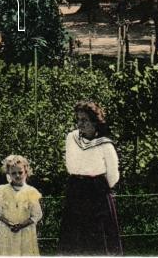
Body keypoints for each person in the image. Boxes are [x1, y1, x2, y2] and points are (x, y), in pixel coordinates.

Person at [58, 101, 122, 255]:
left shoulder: (106, 145)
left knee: (98, 238)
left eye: (84, 120)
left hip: (97, 193)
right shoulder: (71, 138)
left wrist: (97, 186)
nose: (80, 124)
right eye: (78, 119)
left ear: (94, 121)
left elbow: (113, 176)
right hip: (76, 189)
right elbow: (70, 165)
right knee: (74, 238)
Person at [0, 155, 42, 256]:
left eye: (20, 172)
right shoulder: (2, 191)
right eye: (13, 173)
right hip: (7, 232)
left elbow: (36, 214)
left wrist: (21, 225)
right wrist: (9, 224)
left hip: (26, 232)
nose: (17, 175)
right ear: (8, 174)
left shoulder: (31, 192)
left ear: (26, 172)